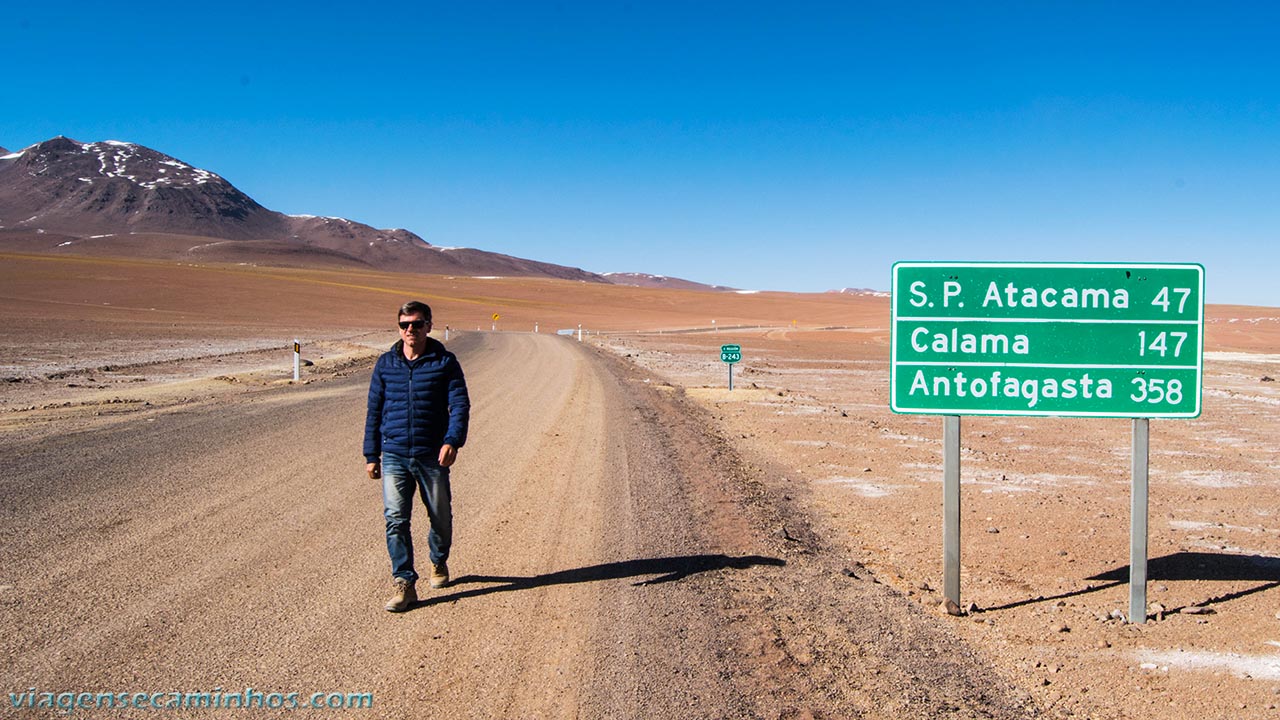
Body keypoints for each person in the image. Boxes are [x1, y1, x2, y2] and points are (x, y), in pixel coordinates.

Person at [364, 301, 470, 612]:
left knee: (440, 518)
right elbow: (374, 411)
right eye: (404, 324)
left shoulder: (444, 362)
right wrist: (372, 454)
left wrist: (453, 440)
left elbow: (460, 406)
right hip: (395, 453)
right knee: (396, 519)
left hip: (431, 454)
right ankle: (405, 583)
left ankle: (439, 560)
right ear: (398, 328)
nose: (410, 329)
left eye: (417, 323)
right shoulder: (386, 364)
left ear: (429, 326)